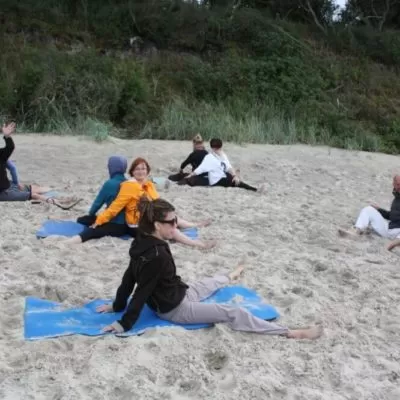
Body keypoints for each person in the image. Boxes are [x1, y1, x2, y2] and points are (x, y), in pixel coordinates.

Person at [96, 197, 322, 340]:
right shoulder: (157, 255)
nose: (176, 225)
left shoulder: (140, 241)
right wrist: (124, 323)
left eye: (176, 220)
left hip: (179, 291)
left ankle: (231, 274)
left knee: (209, 282)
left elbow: (129, 276)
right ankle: (289, 332)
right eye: (172, 222)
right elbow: (141, 290)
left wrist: (117, 304)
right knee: (231, 312)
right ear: (157, 225)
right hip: (174, 309)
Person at [93, 157, 215, 249]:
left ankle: (195, 224)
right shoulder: (129, 186)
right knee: (170, 228)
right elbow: (115, 207)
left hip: (150, 217)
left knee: (172, 217)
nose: (141, 171)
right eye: (137, 169)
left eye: (143, 168)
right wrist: (99, 221)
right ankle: (198, 244)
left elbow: (157, 202)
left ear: (147, 171)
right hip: (137, 225)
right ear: (132, 172)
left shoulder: (148, 184)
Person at [0, 122, 75, 206]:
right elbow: (12, 167)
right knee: (33, 195)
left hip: (8, 185)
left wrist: (7, 136)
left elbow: (10, 148)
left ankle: (59, 192)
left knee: (33, 188)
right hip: (2, 194)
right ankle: (56, 201)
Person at [62, 156, 134, 244]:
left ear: (111, 168)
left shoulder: (109, 184)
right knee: (86, 220)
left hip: (115, 225)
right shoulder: (128, 183)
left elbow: (97, 204)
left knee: (88, 227)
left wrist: (91, 215)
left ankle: (67, 243)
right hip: (127, 225)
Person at [338, 175, 400, 251]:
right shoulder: (397, 199)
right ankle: (357, 230)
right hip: (389, 229)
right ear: (393, 184)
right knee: (369, 209)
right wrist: (379, 209)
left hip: (398, 233)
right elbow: (392, 216)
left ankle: (394, 244)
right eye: (398, 184)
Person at [184, 138, 263, 192]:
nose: (219, 150)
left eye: (219, 148)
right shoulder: (209, 157)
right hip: (216, 180)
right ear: (213, 149)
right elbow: (200, 169)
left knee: (233, 178)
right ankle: (254, 189)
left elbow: (228, 167)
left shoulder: (222, 155)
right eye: (217, 149)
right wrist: (190, 175)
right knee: (232, 181)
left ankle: (251, 187)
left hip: (223, 175)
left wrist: (234, 175)